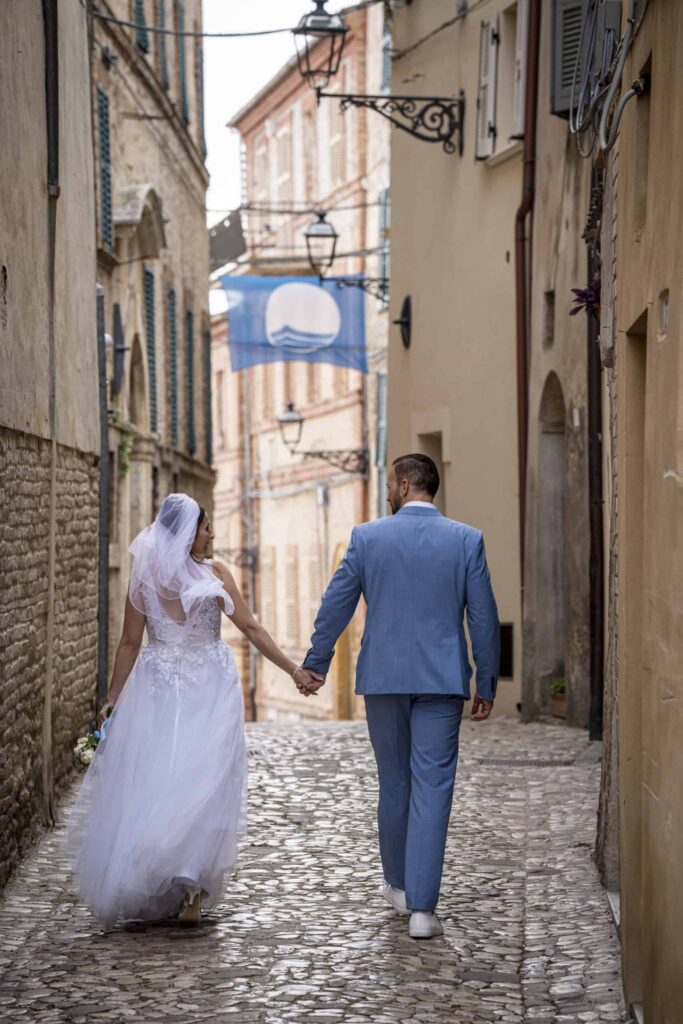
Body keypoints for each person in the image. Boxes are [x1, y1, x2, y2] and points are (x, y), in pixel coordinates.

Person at [65, 493, 321, 927]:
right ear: (187, 532)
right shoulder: (214, 574)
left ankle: (170, 876)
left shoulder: (144, 579)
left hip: (159, 685)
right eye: (206, 527)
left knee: (163, 778)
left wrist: (114, 698)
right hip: (207, 686)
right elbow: (251, 627)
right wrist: (294, 670)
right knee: (205, 778)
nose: (212, 534)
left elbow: (130, 643)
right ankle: (191, 885)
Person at [296, 453, 500, 940]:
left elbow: (336, 602)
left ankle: (401, 888)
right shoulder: (467, 540)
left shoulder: (367, 538)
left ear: (405, 485)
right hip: (442, 681)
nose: (387, 491)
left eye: (390, 483)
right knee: (433, 785)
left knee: (394, 780)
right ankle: (423, 912)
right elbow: (484, 617)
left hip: (384, 678)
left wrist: (316, 662)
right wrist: (487, 682)